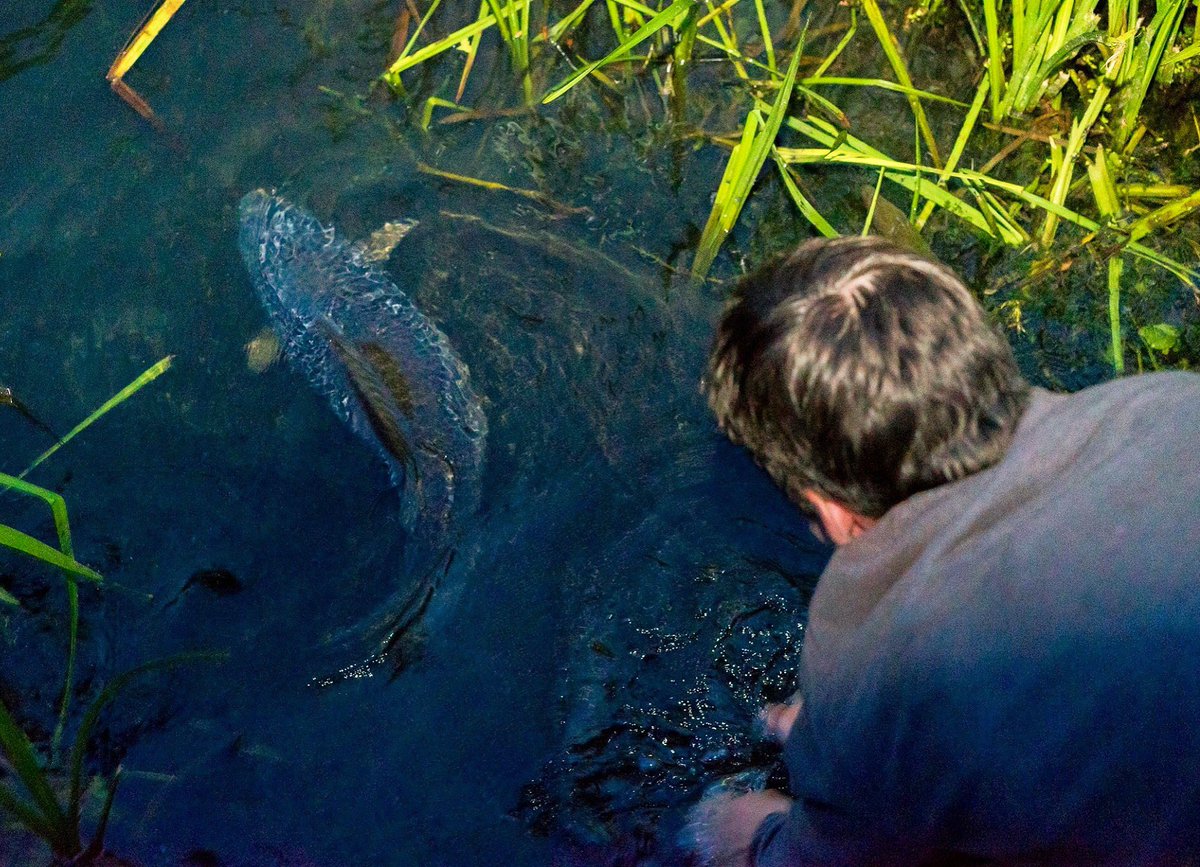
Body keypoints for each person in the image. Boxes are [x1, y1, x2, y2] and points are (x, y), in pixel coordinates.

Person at [684, 235, 1200, 865]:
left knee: (729, 823)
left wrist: (754, 833)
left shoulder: (873, 655)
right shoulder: (1169, 402)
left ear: (830, 509)